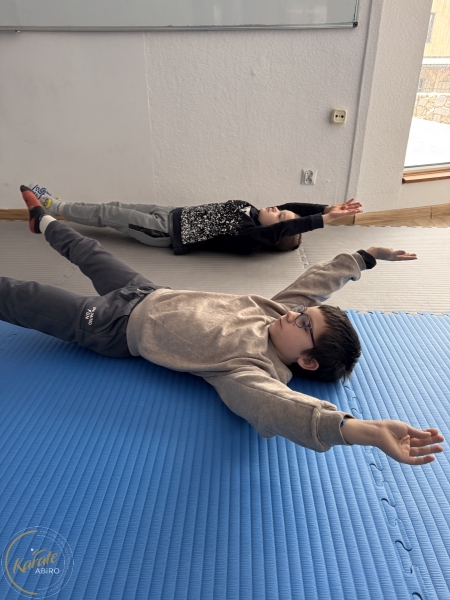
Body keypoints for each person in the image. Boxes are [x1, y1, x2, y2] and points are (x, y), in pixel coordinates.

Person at [2, 185, 444, 466]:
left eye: (303, 322)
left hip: (114, 326)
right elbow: (316, 283)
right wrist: (366, 256)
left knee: (27, 297)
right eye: (301, 312)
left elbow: (282, 409)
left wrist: (364, 431)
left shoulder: (251, 370)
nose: (294, 313)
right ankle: (44, 220)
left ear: (307, 360)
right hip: (146, 291)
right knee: (89, 251)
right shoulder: (275, 312)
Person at [28, 182, 362, 255]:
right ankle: (51, 212)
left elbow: (287, 226)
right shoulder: (251, 210)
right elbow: (291, 207)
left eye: (281, 216)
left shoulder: (247, 233)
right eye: (280, 209)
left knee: (109, 215)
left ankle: (55, 208)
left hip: (164, 231)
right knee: (114, 205)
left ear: (273, 232)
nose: (277, 208)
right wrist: (323, 208)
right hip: (170, 212)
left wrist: (322, 222)